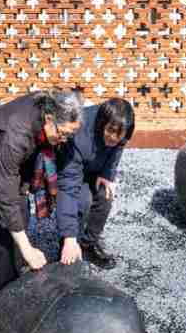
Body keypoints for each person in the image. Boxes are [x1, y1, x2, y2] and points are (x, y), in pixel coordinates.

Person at [0, 89, 84, 306]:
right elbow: (3, 194)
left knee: (20, 210)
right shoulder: (15, 134)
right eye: (63, 133)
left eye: (70, 135)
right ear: (49, 119)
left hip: (0, 155)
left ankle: (12, 271)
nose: (64, 140)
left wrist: (25, 185)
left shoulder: (50, 110)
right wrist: (27, 248)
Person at [57, 98, 135, 270]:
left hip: (96, 168)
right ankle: (67, 244)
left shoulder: (123, 128)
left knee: (105, 196)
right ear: (101, 124)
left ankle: (88, 244)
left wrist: (107, 174)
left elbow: (117, 149)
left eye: (119, 136)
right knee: (82, 200)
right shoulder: (79, 133)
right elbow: (69, 185)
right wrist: (69, 237)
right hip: (72, 166)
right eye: (110, 132)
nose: (113, 139)